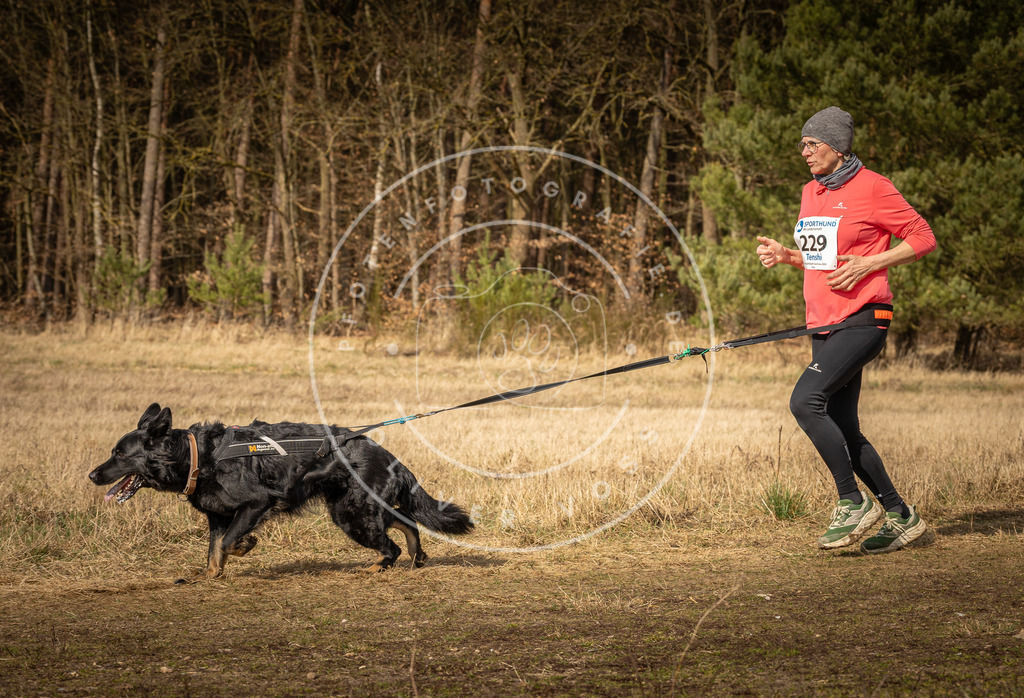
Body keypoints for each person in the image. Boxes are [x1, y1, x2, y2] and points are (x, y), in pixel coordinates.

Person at [756, 106, 936, 554]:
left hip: (863, 318)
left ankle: (851, 501)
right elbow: (822, 259)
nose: (804, 152)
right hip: (824, 322)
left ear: (836, 147)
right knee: (843, 425)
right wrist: (788, 256)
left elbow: (923, 236)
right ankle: (900, 515)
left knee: (804, 401)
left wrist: (873, 262)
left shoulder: (874, 187)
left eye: (812, 144)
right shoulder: (810, 192)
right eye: (802, 144)